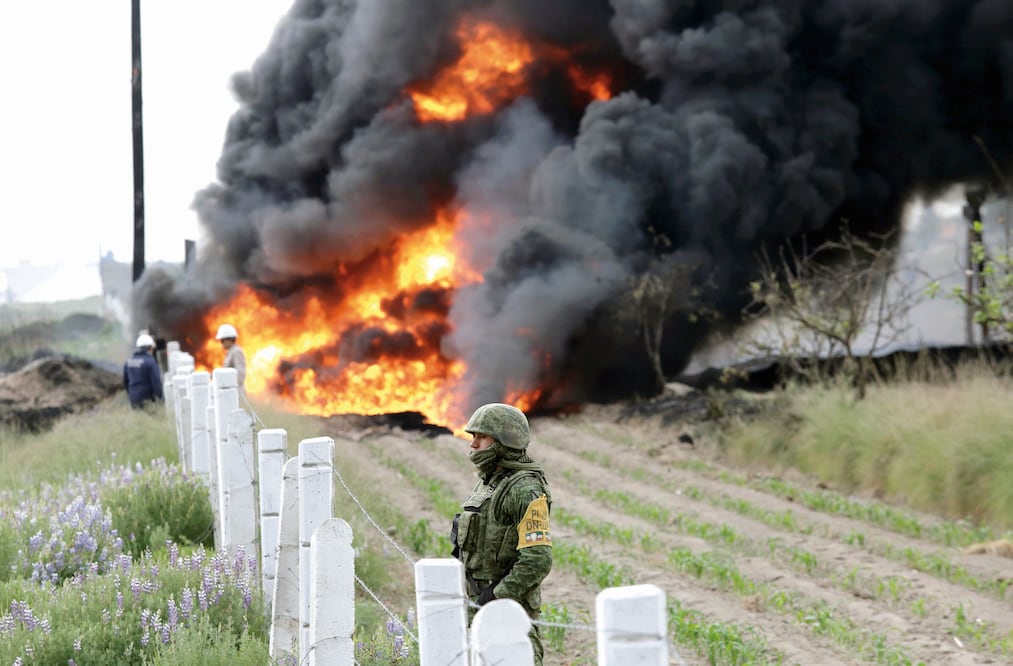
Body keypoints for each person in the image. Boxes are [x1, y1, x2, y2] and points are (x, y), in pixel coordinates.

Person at [451, 403, 552, 665]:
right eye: (473, 436)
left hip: (509, 611)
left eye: (482, 437)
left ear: (503, 442)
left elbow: (538, 559)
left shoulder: (525, 489)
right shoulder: (489, 482)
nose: (473, 444)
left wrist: (497, 595)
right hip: (478, 604)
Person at [123, 333, 164, 408]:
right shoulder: (150, 362)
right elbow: (156, 382)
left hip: (134, 398)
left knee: (139, 415)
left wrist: (131, 395)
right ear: (150, 348)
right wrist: (161, 398)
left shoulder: (129, 361)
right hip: (147, 399)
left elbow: (126, 382)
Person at [215, 323, 247, 390]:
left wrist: (230, 387)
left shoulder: (236, 352)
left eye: (222, 340)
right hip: (230, 391)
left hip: (235, 392)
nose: (221, 343)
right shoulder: (231, 352)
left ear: (229, 340)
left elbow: (240, 376)